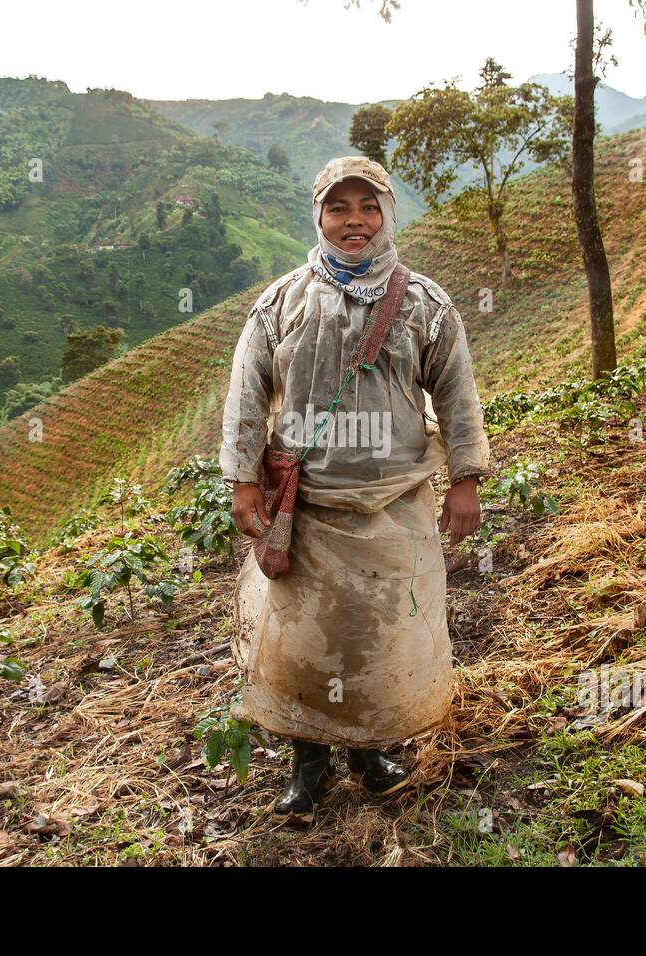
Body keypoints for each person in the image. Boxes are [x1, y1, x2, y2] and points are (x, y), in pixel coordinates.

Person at [219, 155, 490, 823]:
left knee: (384, 636)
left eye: (367, 207)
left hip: (394, 505)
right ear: (318, 217)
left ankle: (374, 755)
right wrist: (242, 482)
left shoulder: (424, 302)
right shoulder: (280, 303)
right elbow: (247, 397)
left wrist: (466, 478)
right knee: (307, 646)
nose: (355, 222)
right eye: (338, 208)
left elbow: (456, 393)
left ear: (387, 214)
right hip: (308, 509)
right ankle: (307, 766)